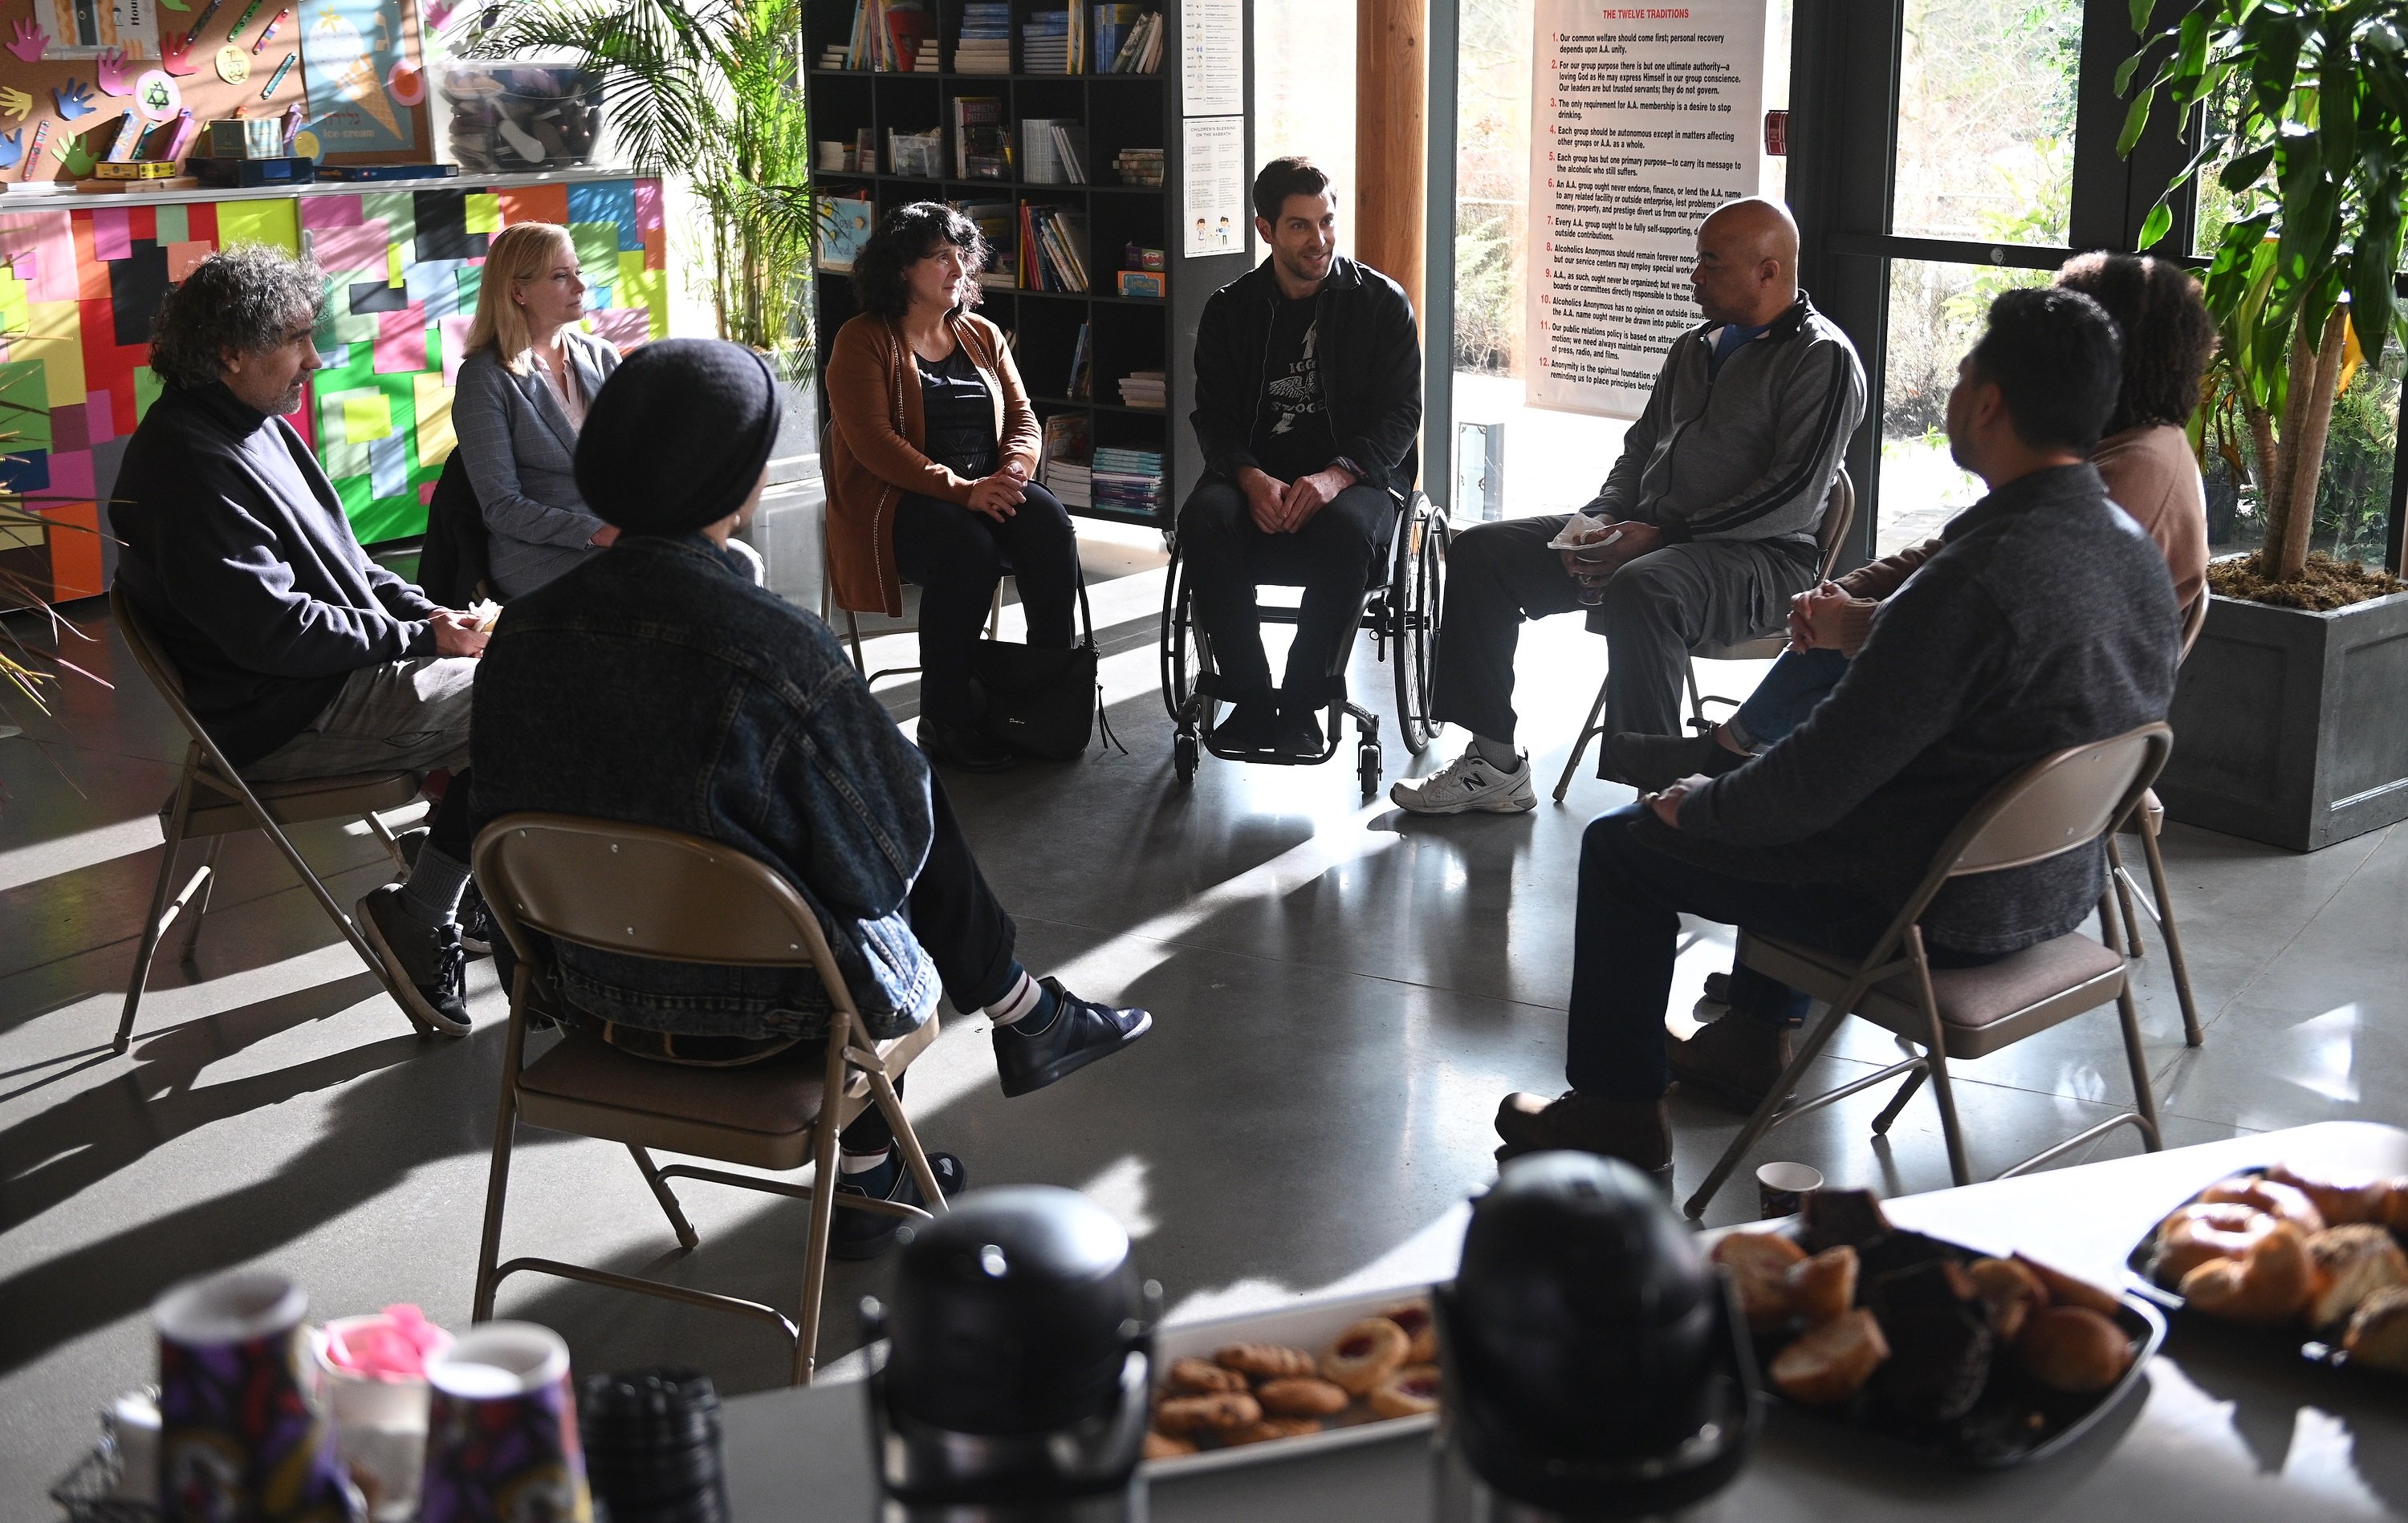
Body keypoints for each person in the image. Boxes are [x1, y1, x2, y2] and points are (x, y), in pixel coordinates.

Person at [470, 338, 1151, 1249]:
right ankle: (1012, 1018)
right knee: (872, 820)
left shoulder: (522, 635)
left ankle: (900, 1146)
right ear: (741, 484)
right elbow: (884, 860)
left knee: (821, 806)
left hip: (584, 997)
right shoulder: (769, 647)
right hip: (767, 1016)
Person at [1494, 288, 2178, 1169]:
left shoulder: (1975, 583)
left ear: (1991, 402)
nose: (1956, 389)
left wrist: (1701, 804)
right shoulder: (2131, 554)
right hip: (2052, 893)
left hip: (1929, 909)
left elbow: (1821, 779)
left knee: (1628, 847)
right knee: (1773, 791)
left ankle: (1616, 1115)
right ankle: (1751, 1035)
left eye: (1966, 370)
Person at [1601, 250, 2215, 793]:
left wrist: (1854, 623)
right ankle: (1738, 762)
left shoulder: (2129, 475)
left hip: (2023, 750)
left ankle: (1734, 766)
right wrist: (1855, 589)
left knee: (1626, 846)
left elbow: (1974, 624)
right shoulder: (2123, 451)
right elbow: (1956, 550)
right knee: (1834, 666)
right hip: (2021, 716)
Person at [109, 246, 489, 1037]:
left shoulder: (253, 423)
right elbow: (274, 631)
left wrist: (433, 614)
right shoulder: (187, 463)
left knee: (523, 670)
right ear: (230, 352)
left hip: (326, 683)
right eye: (298, 339)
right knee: (531, 700)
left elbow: (352, 567)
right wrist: (420, 633)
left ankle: (453, 865)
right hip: (286, 715)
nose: (316, 359)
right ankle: (425, 906)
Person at [1391, 197, 1865, 815]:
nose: (1694, 275)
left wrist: (1662, 535)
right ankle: (1495, 764)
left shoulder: (1821, 359)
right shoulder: (1694, 346)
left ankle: (1661, 801)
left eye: (1710, 263)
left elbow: (1792, 495)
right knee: (1482, 552)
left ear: (1768, 272)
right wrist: (1602, 520)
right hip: (1656, 541)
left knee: (1646, 585)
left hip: (1764, 563)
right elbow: (1642, 448)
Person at [824, 201, 1079, 773]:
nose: (957, 268)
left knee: (1050, 526)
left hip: (983, 490)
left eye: (962, 255)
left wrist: (1014, 471)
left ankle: (1045, 695)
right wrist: (963, 490)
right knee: (967, 548)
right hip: (896, 503)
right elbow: (872, 441)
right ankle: (946, 718)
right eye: (940, 257)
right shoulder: (862, 340)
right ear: (900, 271)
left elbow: (1022, 418)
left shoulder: (982, 335)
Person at [1178, 156, 1422, 753]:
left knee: (1346, 533)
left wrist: (1337, 476)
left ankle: (1303, 702)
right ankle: (1253, 697)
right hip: (1253, 473)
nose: (1320, 241)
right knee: (1200, 521)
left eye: (1327, 222)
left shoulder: (1381, 304)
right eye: (1300, 226)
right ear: (1265, 229)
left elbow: (1402, 415)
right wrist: (1250, 477)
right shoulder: (1229, 310)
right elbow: (1213, 415)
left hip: (1355, 478)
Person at [448, 222, 624, 599]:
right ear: (518, 291)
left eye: (577, 271)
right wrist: (596, 531)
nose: (580, 286)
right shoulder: (484, 378)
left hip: (622, 536)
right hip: (537, 554)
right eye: (561, 276)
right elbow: (502, 507)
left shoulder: (603, 356)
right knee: (646, 580)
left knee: (736, 559)